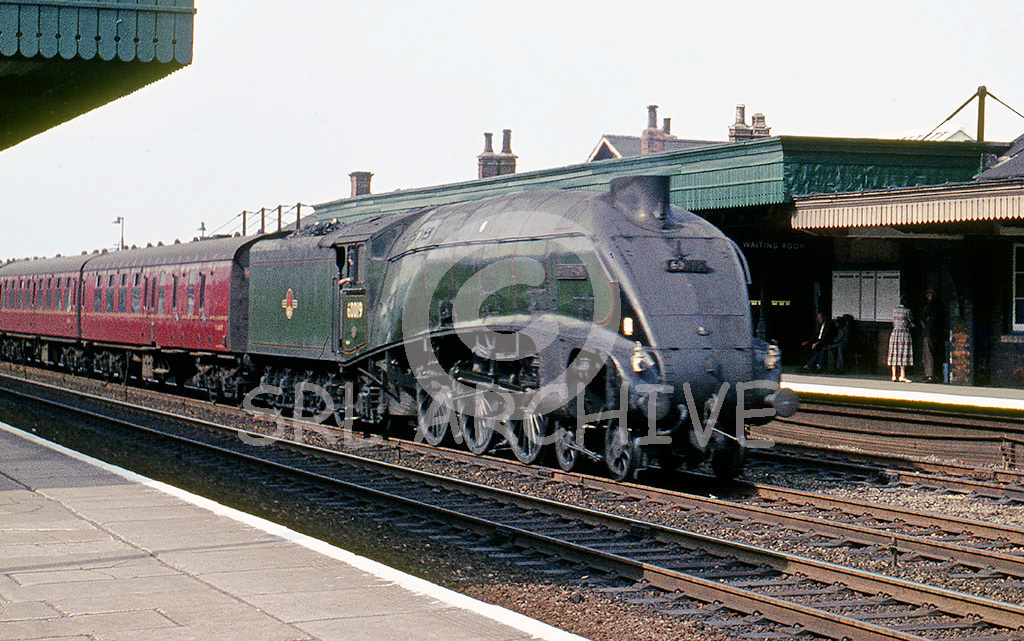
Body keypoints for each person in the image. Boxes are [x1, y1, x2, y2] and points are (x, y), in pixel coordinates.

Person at [887, 297, 914, 382]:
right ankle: (902, 375)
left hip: (895, 332)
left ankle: (894, 375)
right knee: (903, 354)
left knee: (894, 353)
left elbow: (893, 322)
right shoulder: (907, 311)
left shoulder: (894, 310)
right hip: (904, 333)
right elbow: (911, 323)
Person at [920, 289, 944, 383]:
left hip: (929, 333)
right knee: (937, 353)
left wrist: (925, 326)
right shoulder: (941, 305)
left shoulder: (930, 305)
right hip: (938, 333)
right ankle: (937, 375)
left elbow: (923, 317)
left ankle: (929, 375)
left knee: (928, 354)